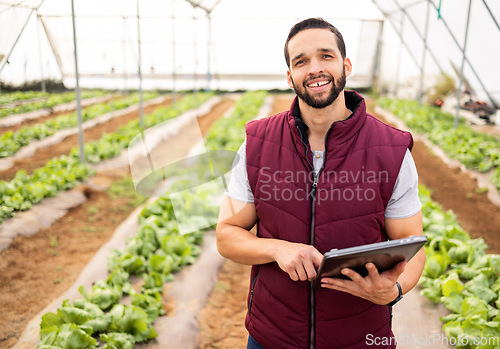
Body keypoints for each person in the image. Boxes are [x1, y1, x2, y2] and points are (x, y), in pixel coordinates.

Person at [216, 17, 426, 349]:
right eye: (301, 61)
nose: (315, 68)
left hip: (359, 338)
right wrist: (277, 248)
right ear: (290, 77)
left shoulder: (391, 150)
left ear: (346, 65)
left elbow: (411, 244)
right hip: (273, 337)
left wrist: (394, 290)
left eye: (326, 56)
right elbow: (227, 235)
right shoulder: (257, 144)